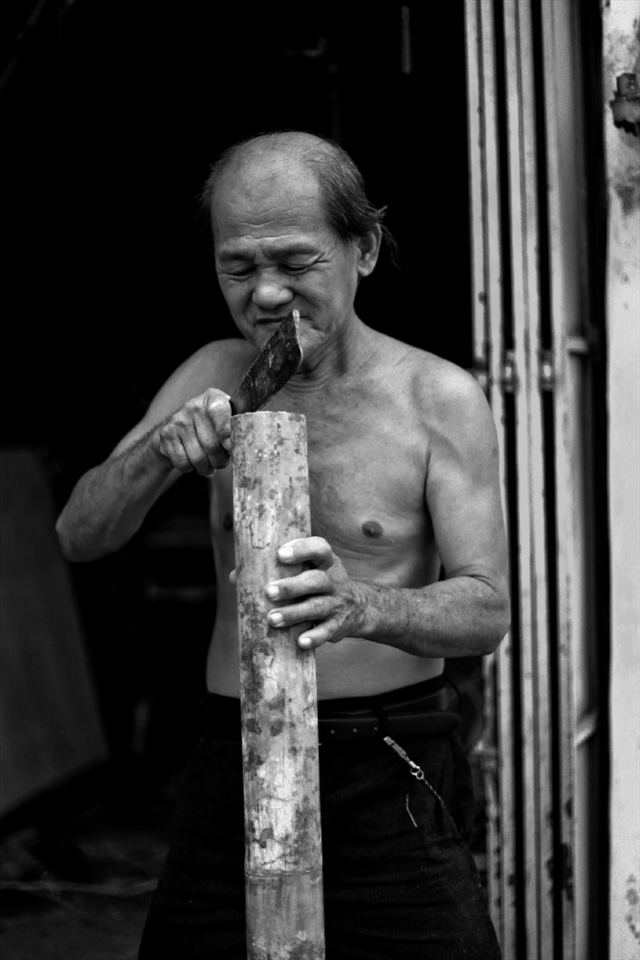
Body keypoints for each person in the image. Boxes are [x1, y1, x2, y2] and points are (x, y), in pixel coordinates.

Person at [56, 131, 509, 959]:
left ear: (363, 248)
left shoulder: (437, 397)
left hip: (387, 760)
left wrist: (360, 603)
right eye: (238, 266)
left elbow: (484, 611)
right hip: (230, 755)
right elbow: (81, 536)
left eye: (297, 262)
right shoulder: (212, 373)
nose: (267, 293)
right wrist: (164, 451)